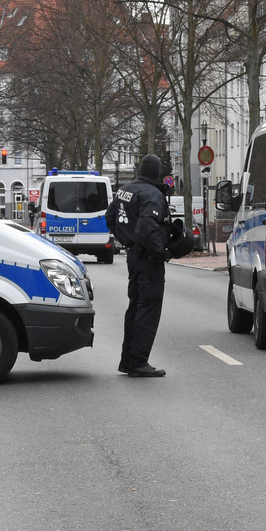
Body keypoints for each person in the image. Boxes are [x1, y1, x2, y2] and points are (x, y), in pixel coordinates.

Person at [106, 154, 173, 377]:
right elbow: (147, 227)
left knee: (135, 307)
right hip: (148, 259)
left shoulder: (126, 189)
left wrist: (126, 240)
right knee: (148, 308)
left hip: (133, 256)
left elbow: (110, 216)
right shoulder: (152, 194)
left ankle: (128, 360)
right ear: (157, 171)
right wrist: (160, 252)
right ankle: (138, 361)